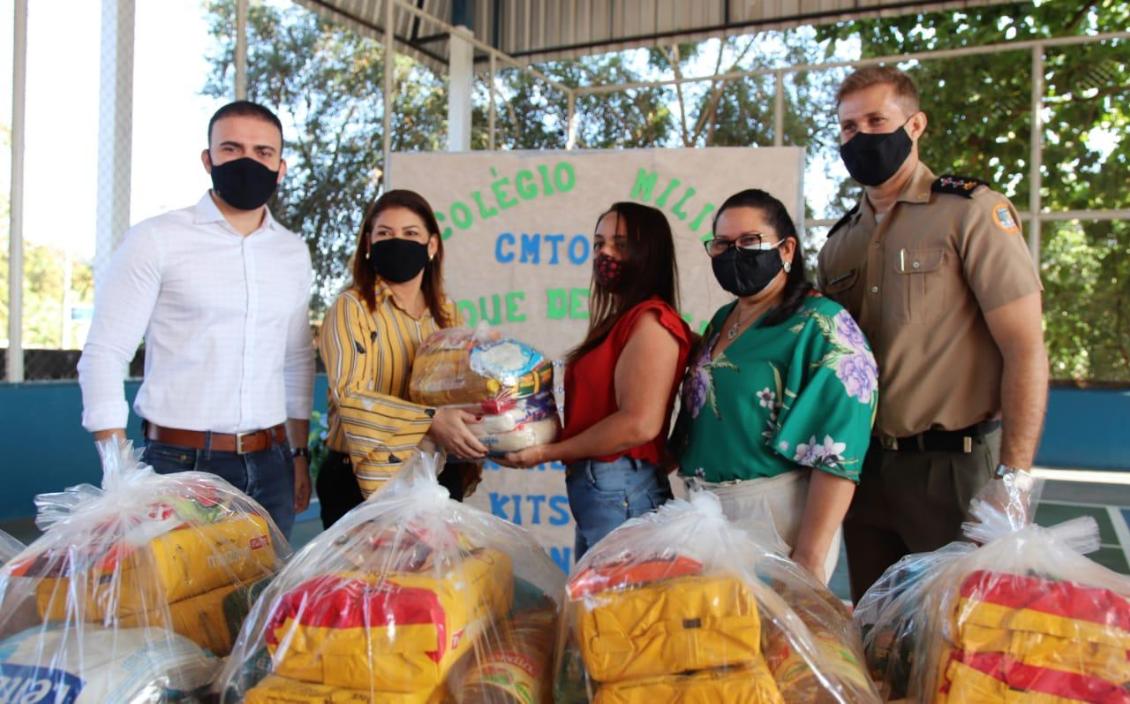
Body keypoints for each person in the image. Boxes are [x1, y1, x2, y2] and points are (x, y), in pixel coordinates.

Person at [817, 66, 1048, 601]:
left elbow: (1026, 348)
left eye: (877, 120)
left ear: (915, 124)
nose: (862, 136)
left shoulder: (970, 213)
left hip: (954, 470)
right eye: (849, 127)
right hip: (863, 468)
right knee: (878, 633)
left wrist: (1013, 478)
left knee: (961, 643)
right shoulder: (839, 243)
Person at [78, 100, 314, 538]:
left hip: (272, 464)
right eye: (231, 148)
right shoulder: (156, 239)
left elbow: (297, 360)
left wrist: (299, 454)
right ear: (208, 160)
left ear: (280, 167)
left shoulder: (292, 252)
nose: (247, 160)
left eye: (263, 152)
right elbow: (104, 354)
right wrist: (119, 472)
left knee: (264, 601)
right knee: (181, 602)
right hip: (177, 465)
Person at [672, 189, 877, 584]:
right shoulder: (723, 319)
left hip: (774, 517)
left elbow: (839, 452)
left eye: (750, 240)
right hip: (704, 510)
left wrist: (810, 556)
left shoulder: (822, 325)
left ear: (786, 250)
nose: (734, 252)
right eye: (722, 244)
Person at [502, 202, 692, 558]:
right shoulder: (623, 321)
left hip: (620, 487)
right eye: (598, 243)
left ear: (648, 252)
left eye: (619, 244)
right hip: (606, 487)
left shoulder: (651, 322)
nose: (604, 252)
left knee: (620, 610)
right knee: (597, 610)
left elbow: (639, 425)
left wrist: (545, 452)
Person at [316, 189, 486, 527]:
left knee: (428, 581)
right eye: (384, 234)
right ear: (368, 244)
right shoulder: (352, 308)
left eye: (411, 234)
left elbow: (460, 392)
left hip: (433, 476)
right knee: (364, 581)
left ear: (432, 246)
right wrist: (430, 421)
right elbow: (350, 395)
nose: (398, 242)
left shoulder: (447, 315)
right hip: (360, 481)